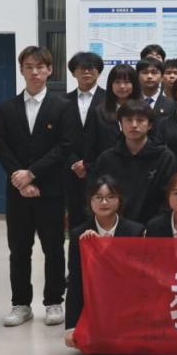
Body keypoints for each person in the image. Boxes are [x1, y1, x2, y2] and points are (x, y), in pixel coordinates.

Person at [0, 46, 71, 327]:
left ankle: (53, 302)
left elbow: (64, 147)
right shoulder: (7, 108)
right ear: (21, 70)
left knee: (53, 248)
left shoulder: (61, 106)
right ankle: (21, 304)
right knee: (19, 250)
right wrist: (20, 179)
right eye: (29, 67)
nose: (35, 72)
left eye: (40, 67)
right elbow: (2, 147)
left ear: (50, 70)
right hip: (17, 192)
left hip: (49, 191)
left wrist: (33, 174)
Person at [63, 176, 147, 349]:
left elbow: (138, 280)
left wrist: (101, 248)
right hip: (95, 307)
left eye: (110, 197)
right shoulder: (79, 235)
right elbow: (75, 282)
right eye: (98, 197)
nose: (104, 202)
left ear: (119, 200)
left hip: (127, 306)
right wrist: (71, 327)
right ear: (90, 201)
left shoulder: (135, 231)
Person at [63, 51, 105, 230]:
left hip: (100, 169)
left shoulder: (109, 100)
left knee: (101, 218)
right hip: (71, 171)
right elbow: (60, 137)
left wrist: (89, 164)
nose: (87, 72)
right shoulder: (62, 101)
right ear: (73, 72)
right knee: (75, 219)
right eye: (82, 68)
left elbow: (111, 138)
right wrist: (75, 163)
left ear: (98, 71)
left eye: (91, 68)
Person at [83, 63, 141, 173]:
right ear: (110, 85)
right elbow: (90, 149)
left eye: (127, 82)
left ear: (134, 84)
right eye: (117, 82)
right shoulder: (98, 112)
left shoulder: (144, 111)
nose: (122, 86)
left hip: (138, 170)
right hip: (106, 172)